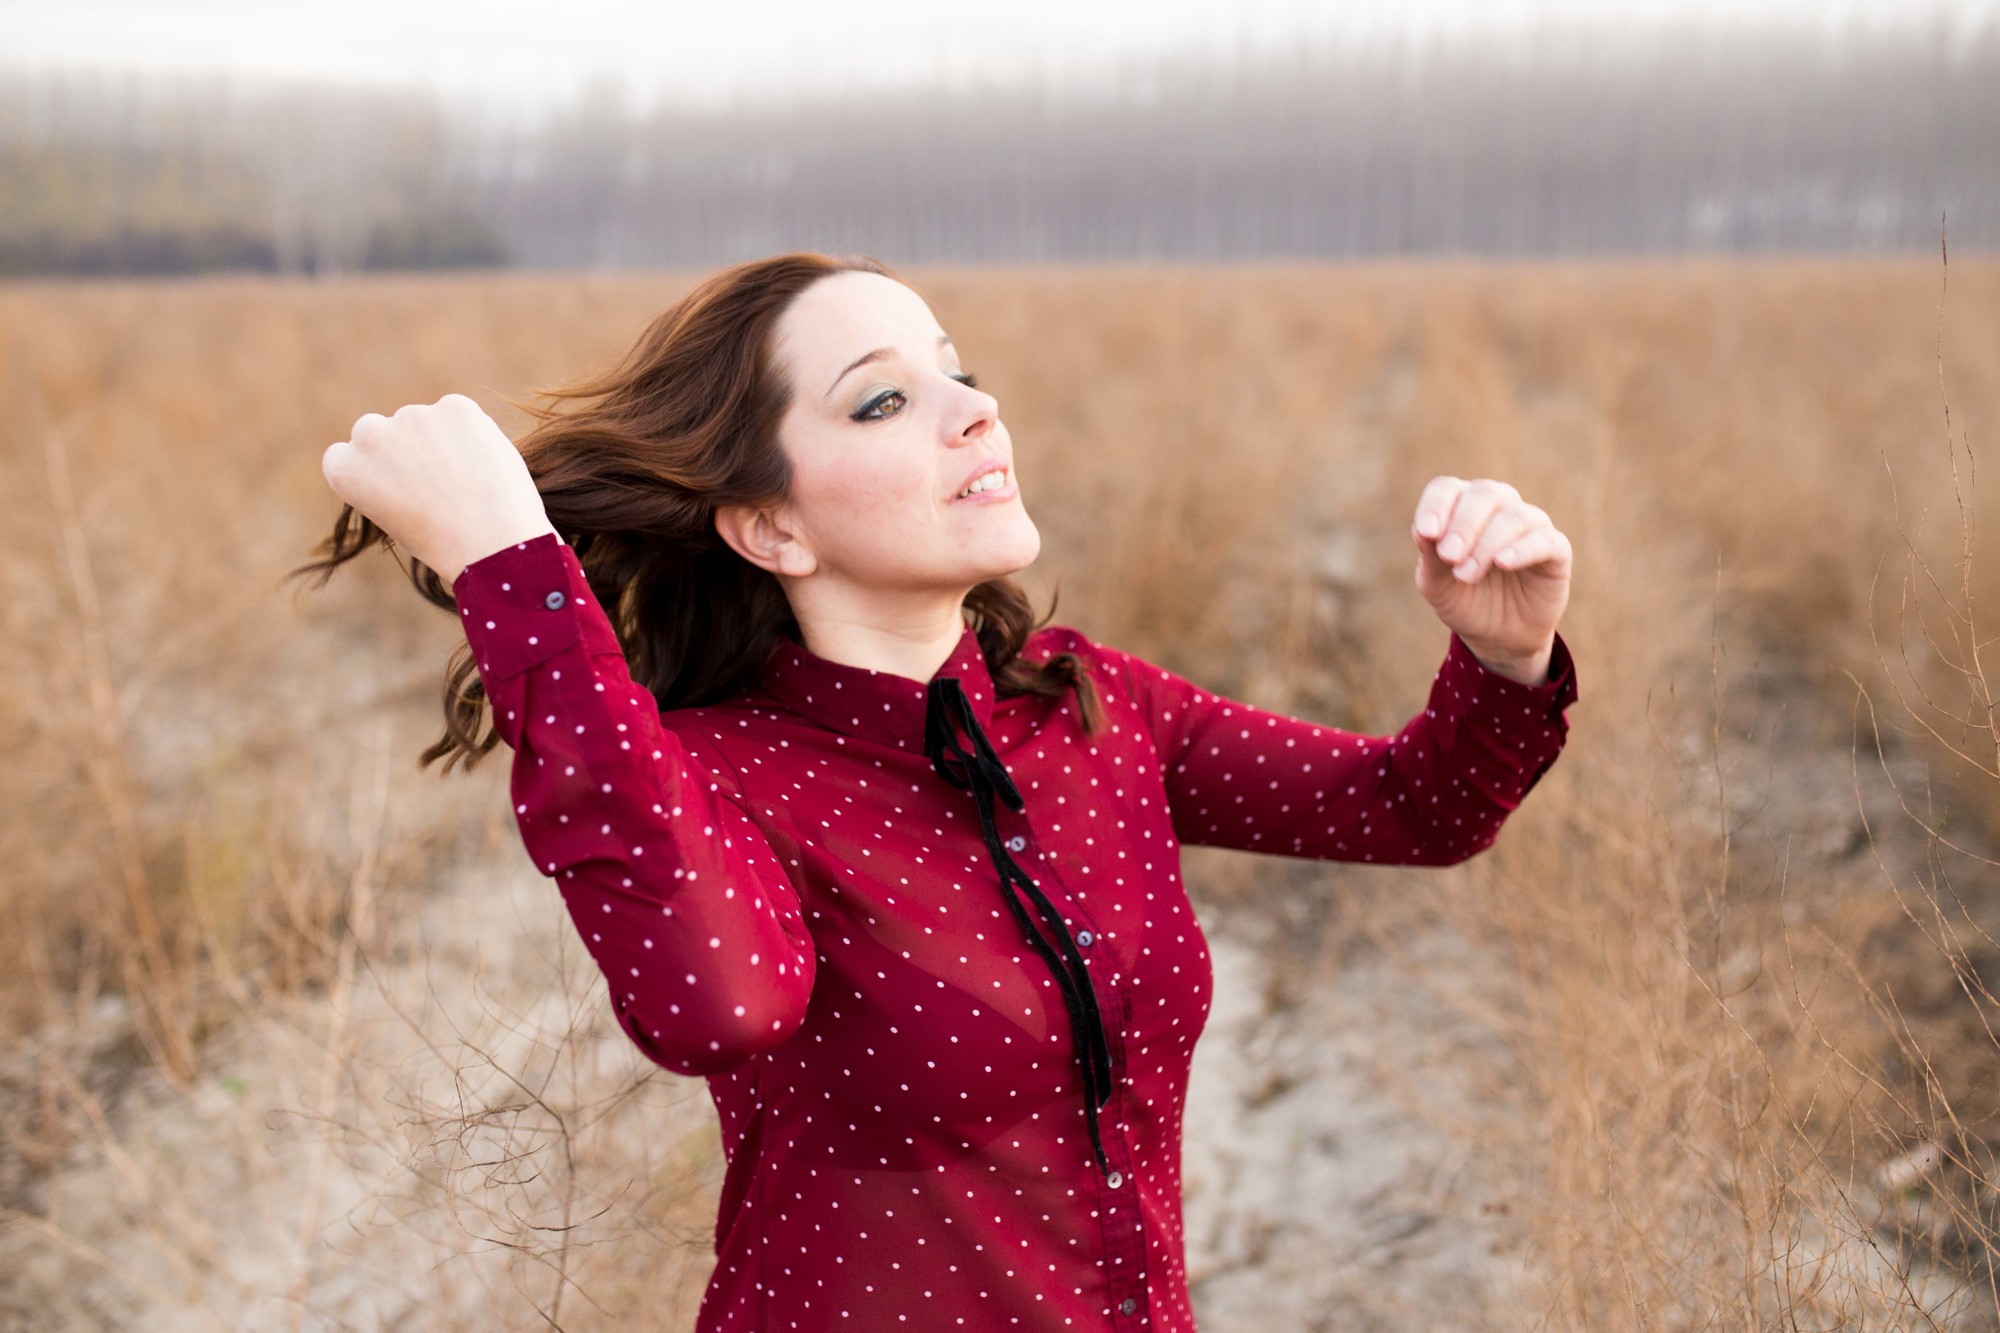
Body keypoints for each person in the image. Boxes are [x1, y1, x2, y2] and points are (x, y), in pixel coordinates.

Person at [306, 251, 1578, 1331]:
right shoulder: (722, 775)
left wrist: (1500, 651)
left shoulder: (1093, 707)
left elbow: (1412, 808)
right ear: (770, 529)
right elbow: (719, 1003)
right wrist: (513, 571)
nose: (972, 413)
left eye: (956, 373)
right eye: (879, 404)